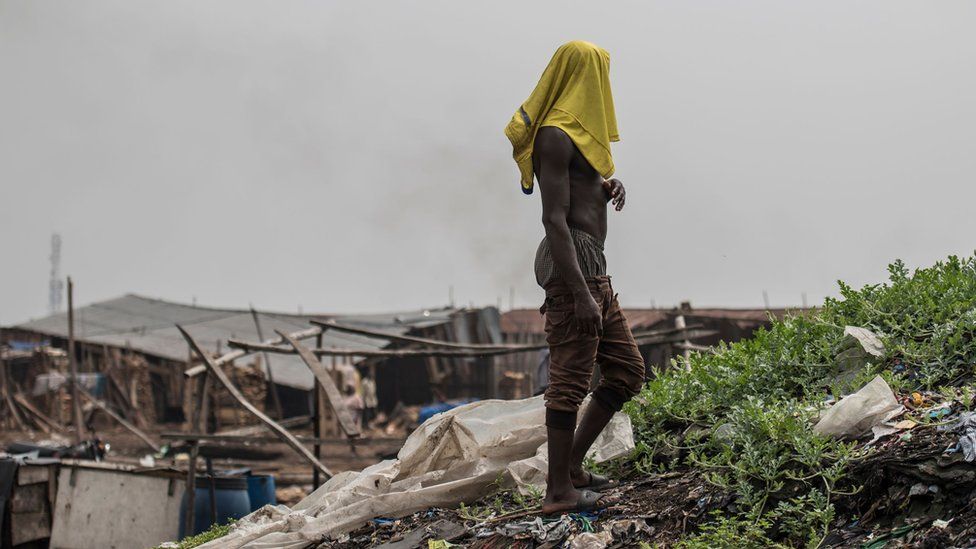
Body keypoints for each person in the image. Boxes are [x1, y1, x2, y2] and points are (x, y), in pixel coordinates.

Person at [504, 40, 646, 514]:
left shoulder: (578, 137)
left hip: (593, 268)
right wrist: (582, 295)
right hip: (574, 273)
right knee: (569, 381)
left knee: (626, 370)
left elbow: (581, 193)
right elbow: (553, 219)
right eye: (598, 76)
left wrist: (606, 188)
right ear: (579, 77)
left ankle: (574, 470)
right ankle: (557, 492)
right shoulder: (554, 136)